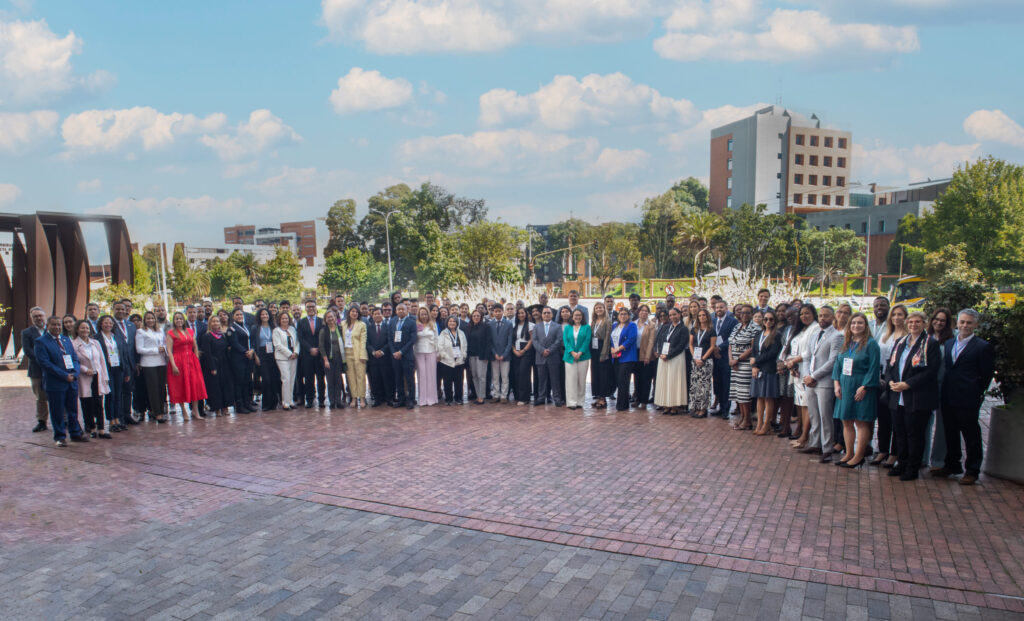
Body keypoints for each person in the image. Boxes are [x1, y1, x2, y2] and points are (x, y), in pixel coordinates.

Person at [933, 309, 995, 485]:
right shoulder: (951, 343)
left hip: (967, 398)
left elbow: (986, 375)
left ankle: (972, 470)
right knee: (950, 432)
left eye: (969, 322)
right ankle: (952, 464)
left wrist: (975, 391)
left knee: (971, 435)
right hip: (948, 395)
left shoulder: (983, 347)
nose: (965, 326)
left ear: (975, 324)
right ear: (957, 323)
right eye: (962, 322)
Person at [885, 311, 941, 481]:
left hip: (916, 396)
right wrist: (890, 382)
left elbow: (931, 371)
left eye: (918, 322)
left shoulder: (930, 343)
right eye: (911, 322)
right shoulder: (900, 342)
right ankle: (901, 463)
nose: (913, 325)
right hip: (898, 395)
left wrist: (908, 384)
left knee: (914, 434)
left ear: (924, 323)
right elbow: (890, 366)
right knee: (899, 433)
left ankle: (912, 467)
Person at [832, 312, 881, 469]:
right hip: (845, 385)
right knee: (846, 420)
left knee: (860, 421)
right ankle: (849, 453)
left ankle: (859, 456)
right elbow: (837, 365)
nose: (856, 326)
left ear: (866, 325)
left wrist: (865, 386)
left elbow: (874, 368)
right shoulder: (847, 343)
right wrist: (836, 384)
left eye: (860, 323)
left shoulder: (871, 344)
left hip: (862, 385)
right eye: (853, 323)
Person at [36, 315, 88, 447]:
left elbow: (75, 359)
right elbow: (45, 364)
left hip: (72, 381)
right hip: (56, 383)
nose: (57, 327)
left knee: (73, 410)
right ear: (48, 326)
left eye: (59, 325)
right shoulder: (41, 342)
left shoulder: (66, 339)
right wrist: (64, 375)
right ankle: (60, 437)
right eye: (53, 325)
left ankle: (75, 433)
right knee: (57, 411)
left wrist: (75, 373)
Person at [802, 306, 843, 462]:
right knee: (814, 414)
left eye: (826, 316)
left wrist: (814, 376)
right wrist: (806, 376)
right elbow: (807, 357)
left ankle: (827, 448)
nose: (822, 318)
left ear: (833, 317)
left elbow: (833, 361)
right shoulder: (815, 335)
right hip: (810, 381)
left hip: (824, 382)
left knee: (826, 416)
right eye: (820, 316)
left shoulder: (837, 336)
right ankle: (815, 443)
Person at [872, 304, 908, 468]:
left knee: (896, 421)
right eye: (894, 315)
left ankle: (894, 454)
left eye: (900, 315)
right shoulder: (886, 334)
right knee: (883, 418)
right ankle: (883, 450)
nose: (896, 318)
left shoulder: (908, 336)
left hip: (898, 382)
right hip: (882, 380)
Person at [925, 308, 955, 471]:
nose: (938, 322)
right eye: (936, 319)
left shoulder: (952, 339)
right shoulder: (925, 337)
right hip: (926, 385)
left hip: (945, 386)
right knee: (923, 422)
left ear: (948, 323)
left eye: (942, 320)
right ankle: (921, 458)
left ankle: (938, 461)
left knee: (943, 425)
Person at [784, 305, 817, 447]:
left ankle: (805, 436)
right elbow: (793, 348)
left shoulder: (815, 329)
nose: (804, 316)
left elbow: (809, 352)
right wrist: (791, 364)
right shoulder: (800, 329)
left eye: (807, 313)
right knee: (801, 404)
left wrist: (793, 361)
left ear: (813, 314)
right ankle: (803, 433)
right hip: (798, 370)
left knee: (807, 405)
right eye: (802, 314)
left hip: (808, 371)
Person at [73, 319, 111, 439]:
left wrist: (105, 376)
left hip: (97, 376)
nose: (85, 330)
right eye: (82, 328)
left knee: (99, 403)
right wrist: (84, 369)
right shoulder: (74, 344)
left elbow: (102, 361)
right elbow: (74, 362)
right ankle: (91, 428)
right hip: (84, 377)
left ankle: (101, 429)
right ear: (77, 329)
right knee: (87, 404)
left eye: (87, 328)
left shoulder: (95, 343)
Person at [166, 311, 207, 420]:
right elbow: (169, 350)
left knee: (195, 385)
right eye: (176, 319)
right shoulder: (171, 333)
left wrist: (196, 356)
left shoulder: (189, 331)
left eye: (180, 318)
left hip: (191, 360)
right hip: (178, 360)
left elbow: (195, 345)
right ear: (174, 321)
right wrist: (173, 365)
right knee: (179, 385)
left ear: (184, 320)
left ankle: (195, 411)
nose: (179, 320)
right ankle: (184, 411)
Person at [96, 315, 131, 432]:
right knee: (110, 395)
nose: (108, 325)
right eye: (105, 322)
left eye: (110, 323)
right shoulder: (97, 338)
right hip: (107, 369)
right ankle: (111, 420)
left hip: (118, 369)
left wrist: (126, 371)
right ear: (101, 324)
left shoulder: (116, 337)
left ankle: (117, 419)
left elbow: (124, 354)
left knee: (118, 395)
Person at [750, 311, 782, 435]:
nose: (768, 322)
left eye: (771, 319)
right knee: (759, 397)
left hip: (769, 368)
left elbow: (772, 353)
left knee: (768, 398)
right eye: (766, 319)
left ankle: (766, 424)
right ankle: (759, 423)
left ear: (775, 321)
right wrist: (754, 365)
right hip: (758, 369)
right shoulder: (759, 334)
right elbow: (754, 351)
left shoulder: (776, 335)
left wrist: (756, 360)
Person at [135, 311, 169, 423]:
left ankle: (161, 410)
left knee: (161, 388)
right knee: (153, 389)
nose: (150, 320)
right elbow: (139, 349)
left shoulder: (159, 331)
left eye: (152, 318)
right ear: (144, 320)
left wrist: (164, 348)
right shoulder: (141, 332)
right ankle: (157, 413)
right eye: (148, 318)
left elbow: (164, 343)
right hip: (149, 363)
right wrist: (155, 350)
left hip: (161, 362)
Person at [727, 306, 758, 429]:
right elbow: (731, 344)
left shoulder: (754, 328)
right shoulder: (737, 327)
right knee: (737, 392)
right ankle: (742, 417)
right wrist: (731, 360)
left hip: (744, 364)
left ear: (752, 314)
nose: (744, 315)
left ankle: (747, 420)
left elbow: (753, 348)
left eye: (747, 313)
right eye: (742, 312)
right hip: (734, 364)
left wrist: (738, 360)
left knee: (744, 393)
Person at [653, 307, 688, 415]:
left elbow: (682, 345)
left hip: (676, 357)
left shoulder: (683, 328)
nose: (672, 317)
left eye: (675, 314)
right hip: (663, 357)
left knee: (674, 381)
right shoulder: (666, 327)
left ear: (679, 315)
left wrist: (669, 355)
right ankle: (665, 404)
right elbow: (659, 340)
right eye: (671, 315)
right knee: (664, 380)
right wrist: (659, 353)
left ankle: (674, 405)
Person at [21, 306, 50, 433]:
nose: (38, 318)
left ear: (45, 316)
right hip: (36, 370)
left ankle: (63, 420)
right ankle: (42, 421)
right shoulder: (26, 333)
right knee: (40, 397)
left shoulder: (52, 329)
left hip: (53, 370)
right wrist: (43, 362)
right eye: (35, 316)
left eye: (40, 315)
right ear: (31, 318)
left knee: (57, 395)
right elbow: (27, 350)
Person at [200, 315, 232, 416]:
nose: (215, 323)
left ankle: (225, 407)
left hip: (224, 364)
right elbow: (207, 353)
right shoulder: (207, 336)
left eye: (217, 321)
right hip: (214, 364)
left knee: (225, 386)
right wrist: (212, 367)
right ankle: (217, 408)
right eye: (213, 322)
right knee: (215, 387)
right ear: (210, 323)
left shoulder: (222, 335)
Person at [533, 307, 565, 407]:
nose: (546, 314)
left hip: (553, 356)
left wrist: (549, 350)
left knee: (555, 379)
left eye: (548, 313)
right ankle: (541, 398)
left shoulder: (557, 326)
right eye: (544, 313)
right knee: (541, 379)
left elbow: (559, 340)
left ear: (552, 315)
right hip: (540, 356)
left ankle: (557, 398)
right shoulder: (536, 327)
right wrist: (542, 350)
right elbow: (534, 340)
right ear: (541, 315)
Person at [711, 300, 737, 420]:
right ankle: (720, 407)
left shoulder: (733, 321)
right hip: (714, 357)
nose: (719, 309)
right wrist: (713, 350)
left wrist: (719, 348)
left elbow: (732, 338)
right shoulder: (713, 321)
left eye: (721, 307)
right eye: (717, 308)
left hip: (725, 356)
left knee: (726, 383)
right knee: (717, 383)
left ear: (726, 308)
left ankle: (726, 409)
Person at [226, 309, 256, 414]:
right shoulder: (232, 329)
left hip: (248, 357)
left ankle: (248, 402)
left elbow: (252, 339)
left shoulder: (246, 326)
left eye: (241, 314)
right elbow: (234, 343)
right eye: (237, 315)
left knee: (248, 380)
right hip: (238, 358)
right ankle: (239, 405)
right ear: (233, 316)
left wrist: (252, 350)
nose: (239, 316)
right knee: (240, 382)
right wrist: (245, 352)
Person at [688, 308, 716, 418]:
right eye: (699, 315)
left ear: (707, 316)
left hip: (706, 361)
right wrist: (695, 358)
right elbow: (690, 344)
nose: (702, 317)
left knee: (704, 385)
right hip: (695, 361)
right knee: (695, 385)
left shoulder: (711, 330)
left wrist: (703, 359)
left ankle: (703, 408)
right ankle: (695, 407)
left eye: (704, 315)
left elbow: (712, 346)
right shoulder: (694, 330)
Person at [297, 300, 326, 409]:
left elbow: (323, 337)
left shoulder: (321, 321)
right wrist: (310, 349)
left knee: (320, 379)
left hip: (319, 354)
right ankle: (309, 400)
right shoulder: (301, 322)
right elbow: (300, 338)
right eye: (308, 307)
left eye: (312, 306)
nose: (311, 308)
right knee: (309, 379)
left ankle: (322, 400)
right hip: (307, 355)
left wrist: (318, 349)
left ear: (316, 307)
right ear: (305, 308)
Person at [562, 308, 592, 410]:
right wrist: (572, 352)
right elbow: (566, 341)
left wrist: (580, 352)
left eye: (579, 315)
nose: (577, 317)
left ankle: (580, 402)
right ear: (572, 316)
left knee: (581, 380)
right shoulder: (567, 328)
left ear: (582, 317)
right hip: (569, 356)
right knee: (570, 380)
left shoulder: (587, 327)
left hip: (583, 356)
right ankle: (571, 402)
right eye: (576, 315)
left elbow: (587, 341)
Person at [609, 307, 638, 412]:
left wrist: (619, 349)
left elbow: (631, 339)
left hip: (627, 356)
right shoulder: (614, 326)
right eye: (621, 314)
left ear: (628, 316)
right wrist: (612, 349)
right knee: (618, 380)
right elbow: (611, 339)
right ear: (618, 315)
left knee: (623, 380)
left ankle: (621, 405)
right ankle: (624, 403)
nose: (623, 316)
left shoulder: (632, 325)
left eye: (625, 314)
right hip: (616, 357)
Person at [390, 302, 417, 409]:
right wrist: (394, 352)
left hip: (407, 355)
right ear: (396, 311)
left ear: (407, 311)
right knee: (398, 378)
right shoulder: (392, 322)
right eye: (399, 309)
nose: (401, 311)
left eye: (403, 309)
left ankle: (411, 399)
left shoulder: (411, 322)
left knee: (409, 378)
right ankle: (401, 399)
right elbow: (389, 338)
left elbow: (412, 340)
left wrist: (401, 352)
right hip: (395, 356)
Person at [319, 310, 348, 409]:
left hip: (339, 359)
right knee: (330, 382)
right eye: (328, 317)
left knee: (338, 381)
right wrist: (325, 360)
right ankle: (332, 402)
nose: (330, 319)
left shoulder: (340, 329)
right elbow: (321, 346)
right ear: (325, 320)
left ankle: (338, 401)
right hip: (328, 359)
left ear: (336, 318)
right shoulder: (323, 331)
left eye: (332, 317)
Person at [252, 308, 280, 412]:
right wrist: (256, 356)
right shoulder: (255, 328)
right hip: (261, 354)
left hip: (273, 354)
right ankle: (266, 404)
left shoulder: (274, 327)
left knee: (274, 378)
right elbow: (253, 343)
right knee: (266, 379)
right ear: (259, 316)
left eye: (266, 314)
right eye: (262, 314)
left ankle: (274, 402)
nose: (264, 316)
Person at [365, 308, 393, 407]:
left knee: (387, 378)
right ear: (372, 316)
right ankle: (378, 399)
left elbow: (390, 341)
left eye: (379, 313)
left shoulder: (388, 327)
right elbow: (367, 342)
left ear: (382, 315)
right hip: (373, 358)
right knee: (375, 379)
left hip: (385, 358)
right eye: (375, 314)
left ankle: (389, 398)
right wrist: (373, 351)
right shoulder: (369, 327)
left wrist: (382, 351)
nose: (377, 315)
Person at [272, 312, 300, 411]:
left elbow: (296, 342)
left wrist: (296, 352)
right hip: (282, 358)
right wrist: (289, 354)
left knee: (292, 379)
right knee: (286, 379)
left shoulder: (292, 329)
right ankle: (285, 402)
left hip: (294, 357)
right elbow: (278, 345)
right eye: (283, 318)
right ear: (279, 320)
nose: (285, 320)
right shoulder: (276, 331)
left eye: (287, 318)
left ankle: (291, 400)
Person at [589, 302, 614, 409]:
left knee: (604, 375)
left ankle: (603, 399)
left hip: (602, 348)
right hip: (594, 349)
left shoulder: (607, 321)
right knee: (595, 374)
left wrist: (604, 353)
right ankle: (598, 396)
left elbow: (608, 337)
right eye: (596, 308)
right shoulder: (594, 321)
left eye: (600, 307)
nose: (598, 309)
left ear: (604, 309)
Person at [437, 316, 467, 405]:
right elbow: (440, 346)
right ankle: (448, 399)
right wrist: (444, 356)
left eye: (454, 321)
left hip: (459, 361)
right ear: (447, 323)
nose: (452, 323)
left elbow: (465, 345)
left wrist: (463, 355)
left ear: (457, 323)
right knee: (447, 382)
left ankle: (458, 398)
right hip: (446, 361)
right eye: (450, 321)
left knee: (459, 381)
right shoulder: (443, 333)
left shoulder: (461, 333)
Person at [487, 304, 514, 403]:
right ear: (493, 312)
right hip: (494, 355)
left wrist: (504, 354)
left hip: (505, 355)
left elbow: (510, 341)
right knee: (495, 376)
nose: (498, 313)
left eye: (499, 311)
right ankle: (495, 394)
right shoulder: (490, 324)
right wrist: (494, 353)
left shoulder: (508, 324)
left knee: (504, 376)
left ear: (503, 312)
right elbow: (489, 342)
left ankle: (504, 395)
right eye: (496, 311)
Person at [343, 306, 368, 408]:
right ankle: (353, 398)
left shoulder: (362, 325)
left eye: (357, 312)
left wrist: (362, 355)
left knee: (360, 376)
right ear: (349, 313)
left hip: (358, 353)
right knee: (351, 377)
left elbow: (363, 341)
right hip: (347, 353)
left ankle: (362, 398)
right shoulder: (343, 324)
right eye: (353, 311)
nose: (355, 313)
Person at [633, 305, 659, 408]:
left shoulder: (651, 325)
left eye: (646, 311)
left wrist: (648, 356)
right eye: (641, 310)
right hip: (635, 353)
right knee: (637, 378)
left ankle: (644, 401)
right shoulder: (633, 324)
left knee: (646, 378)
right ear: (638, 312)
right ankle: (637, 399)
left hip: (646, 353)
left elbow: (651, 341)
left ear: (648, 313)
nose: (643, 312)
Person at [414, 307, 439, 407]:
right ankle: (423, 399)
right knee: (422, 375)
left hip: (431, 351)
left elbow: (437, 338)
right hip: (419, 352)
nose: (424, 316)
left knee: (431, 375)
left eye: (425, 314)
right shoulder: (416, 325)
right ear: (419, 315)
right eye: (422, 314)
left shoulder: (433, 324)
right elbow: (413, 340)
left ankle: (432, 399)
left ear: (428, 314)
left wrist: (438, 353)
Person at [465, 310, 490, 405]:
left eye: (478, 315)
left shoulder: (485, 327)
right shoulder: (469, 327)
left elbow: (488, 342)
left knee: (481, 376)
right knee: (474, 376)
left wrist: (487, 355)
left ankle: (481, 397)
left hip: (482, 355)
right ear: (471, 317)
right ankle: (478, 395)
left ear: (481, 317)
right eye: (474, 316)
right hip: (471, 355)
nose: (476, 317)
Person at [511, 307, 534, 406]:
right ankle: (518, 396)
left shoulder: (530, 325)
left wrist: (524, 350)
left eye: (522, 313)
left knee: (524, 373)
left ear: (526, 314)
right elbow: (512, 339)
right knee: (516, 373)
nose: (521, 315)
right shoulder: (514, 325)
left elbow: (531, 340)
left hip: (526, 350)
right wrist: (514, 350)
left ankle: (524, 398)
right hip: (516, 350)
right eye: (519, 313)